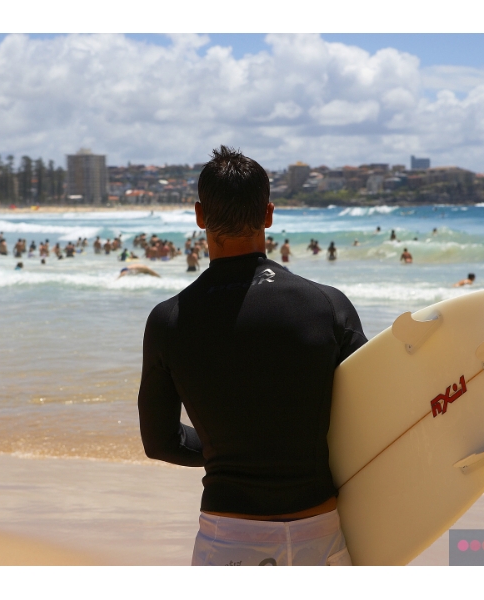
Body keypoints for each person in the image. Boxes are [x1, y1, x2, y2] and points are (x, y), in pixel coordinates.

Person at [138, 146, 367, 566]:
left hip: (228, 540)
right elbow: (371, 414)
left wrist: (226, 450)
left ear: (200, 216)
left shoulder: (169, 320)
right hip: (320, 536)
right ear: (268, 214)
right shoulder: (327, 306)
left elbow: (160, 442)